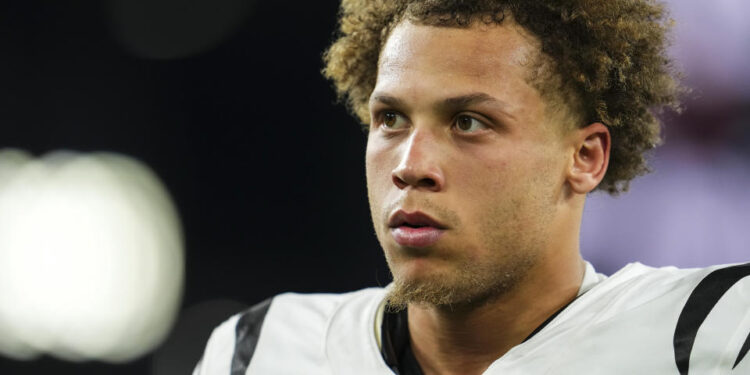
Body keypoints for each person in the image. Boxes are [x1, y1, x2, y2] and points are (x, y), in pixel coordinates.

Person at [193, 1, 750, 374]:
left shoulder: (711, 334)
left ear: (585, 157)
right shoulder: (259, 350)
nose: (411, 166)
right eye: (391, 119)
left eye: (468, 122)